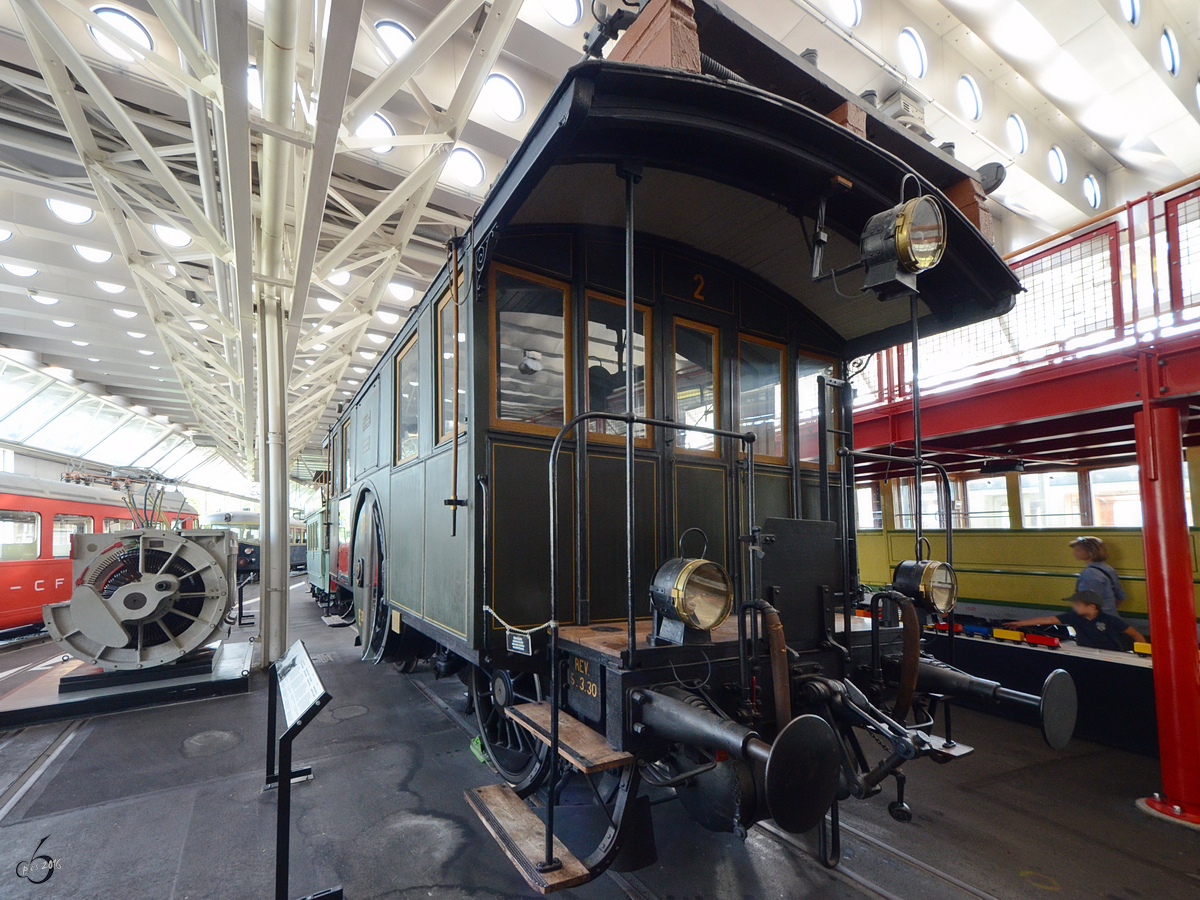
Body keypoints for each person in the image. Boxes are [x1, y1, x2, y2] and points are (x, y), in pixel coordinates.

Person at [1006, 590, 1144, 652]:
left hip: (1109, 654)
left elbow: (1134, 633)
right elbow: (1047, 620)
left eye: (1077, 604)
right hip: (1084, 652)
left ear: (1092, 607)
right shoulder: (1074, 617)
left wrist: (1144, 651)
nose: (1074, 607)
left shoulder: (1110, 620)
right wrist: (1020, 623)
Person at [1070, 536, 1125, 616]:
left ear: (1091, 552)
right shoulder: (1108, 568)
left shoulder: (1090, 573)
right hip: (1110, 615)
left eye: (1078, 550)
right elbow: (1120, 595)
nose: (1074, 553)